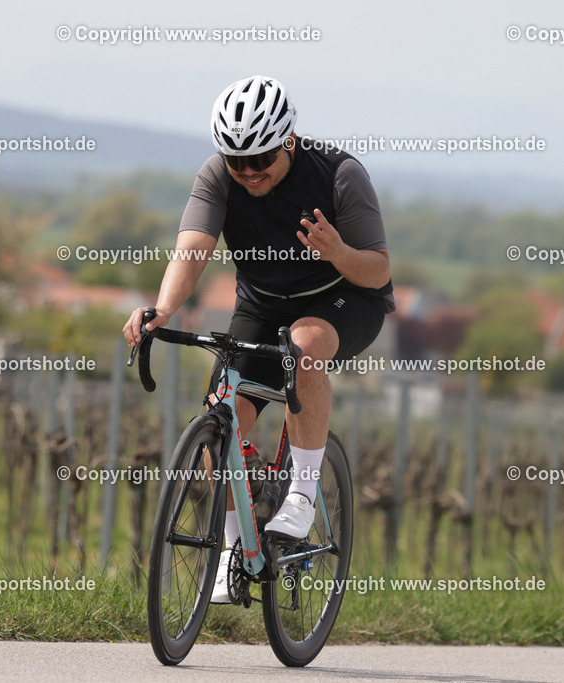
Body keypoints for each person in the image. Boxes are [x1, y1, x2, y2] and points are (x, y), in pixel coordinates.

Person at [122, 75, 393, 603]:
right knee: (220, 414)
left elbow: (379, 272)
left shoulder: (340, 175)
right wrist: (164, 309)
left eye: (260, 158)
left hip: (344, 296)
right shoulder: (217, 176)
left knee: (305, 346)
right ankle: (231, 555)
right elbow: (193, 246)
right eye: (235, 160)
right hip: (264, 304)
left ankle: (303, 491)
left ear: (288, 140)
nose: (247, 172)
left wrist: (337, 251)